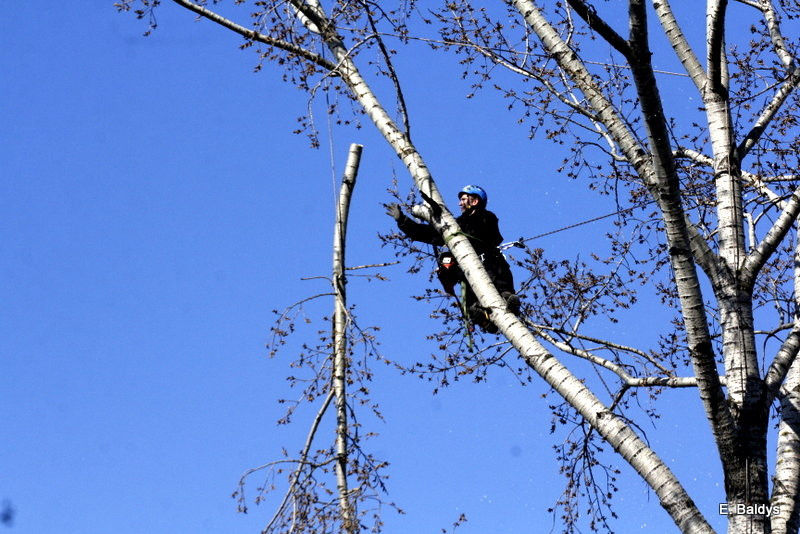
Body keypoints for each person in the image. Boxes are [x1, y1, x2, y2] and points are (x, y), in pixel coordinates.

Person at [385, 185, 520, 332]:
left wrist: (457, 231)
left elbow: (490, 234)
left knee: (500, 281)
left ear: (474, 201)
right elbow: (426, 233)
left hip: (490, 263)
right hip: (467, 273)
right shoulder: (456, 225)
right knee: (471, 296)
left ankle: (507, 300)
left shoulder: (487, 217)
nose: (459, 204)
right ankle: (482, 317)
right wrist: (403, 221)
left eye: (463, 199)